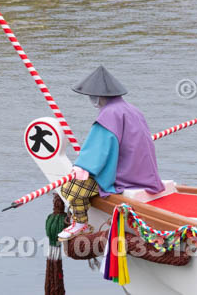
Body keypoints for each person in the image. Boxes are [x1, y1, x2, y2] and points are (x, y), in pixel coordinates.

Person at [57, 66, 164, 240]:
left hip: (123, 174)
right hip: (143, 171)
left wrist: (81, 167)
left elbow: (99, 150)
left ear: (97, 96)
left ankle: (80, 222)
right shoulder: (133, 110)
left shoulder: (109, 115)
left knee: (71, 189)